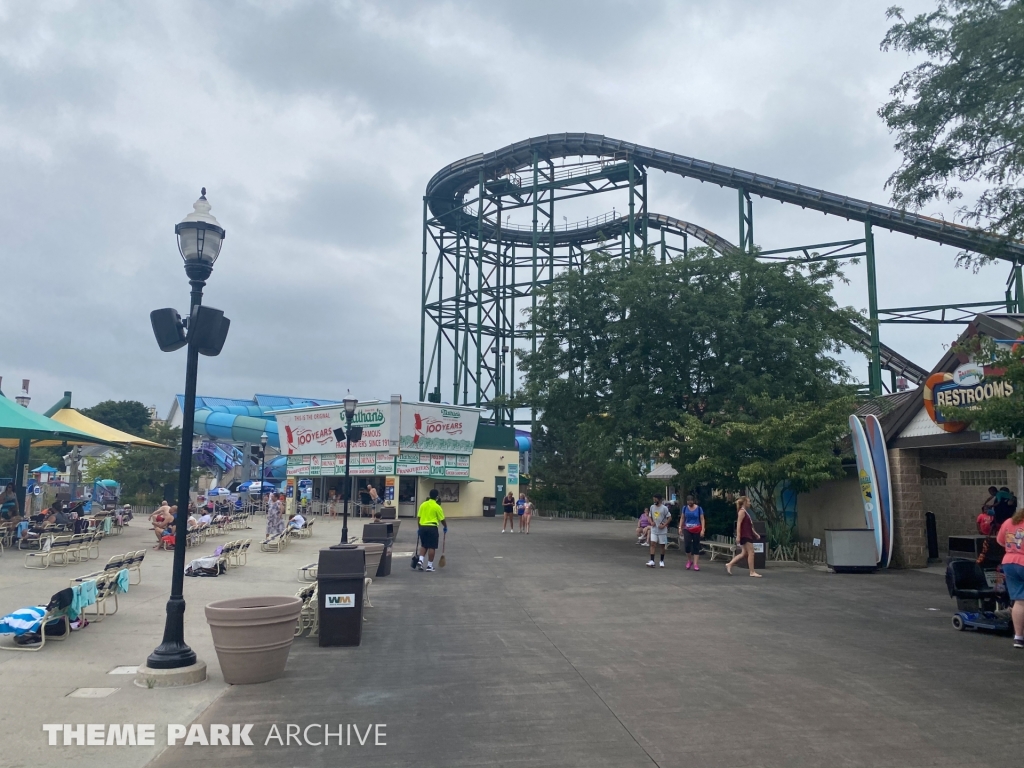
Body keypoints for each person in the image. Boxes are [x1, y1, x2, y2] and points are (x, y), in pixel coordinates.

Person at [995, 505, 1024, 648]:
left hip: (1009, 563)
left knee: (1020, 601)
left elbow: (1000, 541)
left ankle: (1018, 637)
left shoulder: (1009, 522)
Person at [726, 496, 762, 577]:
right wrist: (738, 536)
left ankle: (730, 564)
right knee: (751, 552)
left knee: (744, 553)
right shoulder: (742, 512)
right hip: (745, 535)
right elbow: (738, 524)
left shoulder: (746, 512)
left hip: (748, 534)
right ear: (744, 502)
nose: (750, 503)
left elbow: (749, 526)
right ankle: (752, 572)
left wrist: (755, 534)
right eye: (748, 501)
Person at [415, 488, 447, 573]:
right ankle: (429, 566)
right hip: (432, 528)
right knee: (432, 547)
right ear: (437, 497)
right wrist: (445, 526)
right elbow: (442, 519)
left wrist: (419, 528)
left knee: (424, 545)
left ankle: (420, 561)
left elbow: (419, 517)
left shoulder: (423, 505)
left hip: (422, 527)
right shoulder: (437, 506)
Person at [678, 495, 706, 571]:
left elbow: (702, 519)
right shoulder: (685, 508)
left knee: (696, 546)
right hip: (687, 528)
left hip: (696, 528)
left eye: (691, 501)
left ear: (693, 501)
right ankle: (689, 560)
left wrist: (703, 530)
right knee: (687, 545)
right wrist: (680, 527)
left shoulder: (699, 509)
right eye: (688, 501)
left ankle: (696, 564)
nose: (689, 503)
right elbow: (682, 518)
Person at [646, 494, 672, 568]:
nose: (654, 500)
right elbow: (650, 516)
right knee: (653, 543)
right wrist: (651, 522)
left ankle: (661, 560)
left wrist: (664, 525)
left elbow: (669, 518)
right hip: (654, 529)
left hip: (662, 530)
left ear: (659, 499)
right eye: (653, 499)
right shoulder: (652, 507)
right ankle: (652, 560)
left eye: (655, 499)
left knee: (662, 545)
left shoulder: (664, 508)